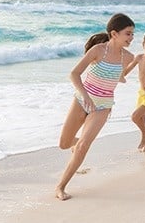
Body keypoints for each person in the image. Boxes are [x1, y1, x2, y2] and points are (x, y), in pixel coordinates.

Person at [55, 13, 135, 200]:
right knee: (64, 144)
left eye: (132, 34)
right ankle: (75, 145)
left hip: (103, 106)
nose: (131, 38)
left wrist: (122, 75)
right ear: (114, 34)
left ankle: (60, 187)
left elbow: (120, 76)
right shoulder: (98, 50)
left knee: (83, 146)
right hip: (82, 100)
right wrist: (85, 96)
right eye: (128, 34)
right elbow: (74, 74)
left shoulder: (128, 57)